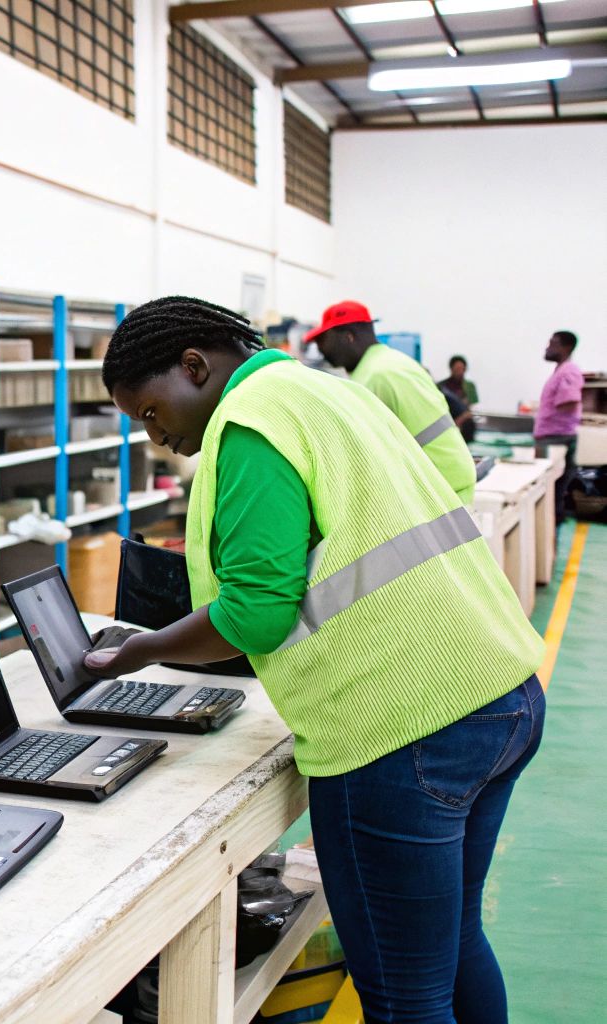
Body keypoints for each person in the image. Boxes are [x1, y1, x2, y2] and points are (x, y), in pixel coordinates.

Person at [85, 296, 544, 1023]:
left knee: (404, 1001)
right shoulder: (324, 389)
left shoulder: (249, 424)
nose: (158, 435)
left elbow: (258, 613)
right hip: (498, 691)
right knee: (454, 944)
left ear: (195, 366)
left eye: (148, 411)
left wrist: (141, 649)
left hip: (403, 730)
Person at [309, 301, 476, 503]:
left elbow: (361, 457)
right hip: (453, 475)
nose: (321, 350)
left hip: (437, 490)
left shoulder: (371, 378)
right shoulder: (395, 361)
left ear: (348, 336)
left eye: (323, 340)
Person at [534, 330, 583, 524]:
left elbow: (570, 400)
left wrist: (550, 410)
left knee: (551, 492)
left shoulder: (569, 371)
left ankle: (551, 531)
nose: (548, 347)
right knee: (552, 492)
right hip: (554, 437)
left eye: (552, 343)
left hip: (556, 438)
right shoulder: (562, 370)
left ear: (566, 347)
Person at [439, 355, 478, 443]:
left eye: (462, 369)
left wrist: (463, 418)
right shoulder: (442, 386)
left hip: (465, 426)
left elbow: (472, 409)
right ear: (451, 369)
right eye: (457, 369)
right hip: (447, 424)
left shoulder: (470, 386)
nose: (460, 372)